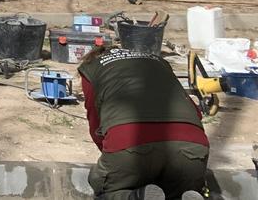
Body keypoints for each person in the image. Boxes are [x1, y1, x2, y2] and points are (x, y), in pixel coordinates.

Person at [78, 47, 209, 200]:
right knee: (174, 192)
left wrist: (114, 158)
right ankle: (185, 196)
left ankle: (138, 197)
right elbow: (197, 114)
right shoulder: (160, 63)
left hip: (130, 145)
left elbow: (95, 122)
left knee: (102, 186)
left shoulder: (91, 68)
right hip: (192, 147)